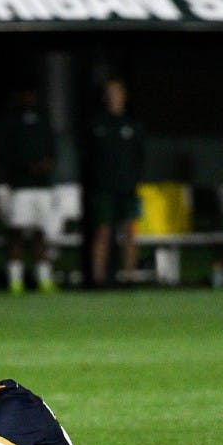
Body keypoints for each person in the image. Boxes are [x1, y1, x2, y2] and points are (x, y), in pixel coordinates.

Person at [0, 80, 59, 294]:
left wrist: (44, 165)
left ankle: (44, 280)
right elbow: (4, 154)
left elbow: (52, 152)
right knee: (17, 233)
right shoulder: (10, 122)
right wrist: (24, 167)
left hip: (42, 187)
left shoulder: (44, 120)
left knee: (41, 233)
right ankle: (15, 281)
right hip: (20, 187)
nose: (29, 98)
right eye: (26, 94)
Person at [84, 77, 145, 287]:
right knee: (102, 232)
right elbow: (88, 156)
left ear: (124, 96)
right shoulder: (96, 125)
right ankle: (98, 280)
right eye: (110, 93)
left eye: (117, 93)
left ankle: (130, 277)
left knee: (129, 232)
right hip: (102, 188)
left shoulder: (133, 125)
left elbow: (139, 157)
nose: (114, 97)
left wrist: (134, 180)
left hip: (128, 189)